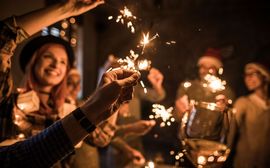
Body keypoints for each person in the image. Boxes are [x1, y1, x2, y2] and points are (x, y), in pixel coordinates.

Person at [0, 0, 105, 142]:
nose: (56, 64)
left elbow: (101, 139)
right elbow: (4, 36)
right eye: (48, 56)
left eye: (63, 62)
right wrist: (64, 9)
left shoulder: (70, 111)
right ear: (33, 62)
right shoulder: (8, 104)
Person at [0, 68, 140, 168]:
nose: (75, 87)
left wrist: (110, 104)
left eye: (78, 83)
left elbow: (102, 138)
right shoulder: (15, 105)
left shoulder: (75, 108)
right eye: (70, 82)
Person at [175, 48, 235, 119]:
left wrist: (226, 111)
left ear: (217, 70)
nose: (206, 71)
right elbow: (176, 117)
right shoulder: (186, 87)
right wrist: (179, 110)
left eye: (211, 68)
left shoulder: (226, 92)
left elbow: (231, 120)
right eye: (203, 67)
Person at [232, 62, 270, 168]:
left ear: (265, 76)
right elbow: (230, 128)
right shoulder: (243, 102)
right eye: (245, 75)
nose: (247, 78)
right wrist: (224, 113)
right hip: (245, 163)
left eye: (252, 74)